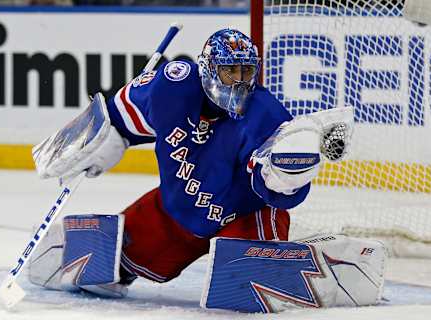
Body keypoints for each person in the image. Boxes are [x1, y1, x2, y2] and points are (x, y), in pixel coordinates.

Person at [29, 29, 382, 311]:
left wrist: (285, 175)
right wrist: (103, 141)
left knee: (249, 279)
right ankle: (95, 253)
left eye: (246, 71)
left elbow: (281, 193)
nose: (239, 81)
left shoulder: (265, 114)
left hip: (241, 213)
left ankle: (323, 261)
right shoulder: (171, 87)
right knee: (118, 263)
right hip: (177, 210)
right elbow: (118, 114)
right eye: (230, 71)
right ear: (208, 68)